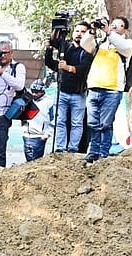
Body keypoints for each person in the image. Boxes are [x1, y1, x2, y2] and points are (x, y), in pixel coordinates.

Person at [80, 17, 132, 162]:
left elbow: (123, 45)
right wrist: (92, 30)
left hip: (112, 90)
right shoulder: (100, 44)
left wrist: (108, 31)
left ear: (125, 30)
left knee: (106, 123)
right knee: (92, 123)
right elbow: (85, 45)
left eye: (119, 26)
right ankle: (93, 151)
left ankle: (103, 152)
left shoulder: (126, 45)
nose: (114, 27)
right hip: (94, 88)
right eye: (113, 24)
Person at [45, 21, 95, 153]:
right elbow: (51, 57)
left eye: (83, 32)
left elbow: (83, 69)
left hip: (78, 93)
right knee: (60, 121)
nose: (79, 34)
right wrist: (49, 48)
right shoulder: (66, 47)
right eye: (77, 31)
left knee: (76, 123)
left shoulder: (88, 50)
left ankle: (73, 148)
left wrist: (68, 68)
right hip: (62, 91)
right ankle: (60, 148)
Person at [21, 80, 51, 161]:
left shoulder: (49, 102)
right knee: (28, 161)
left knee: (36, 161)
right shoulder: (28, 100)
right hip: (27, 135)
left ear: (42, 91)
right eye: (33, 92)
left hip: (39, 136)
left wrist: (46, 135)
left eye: (37, 92)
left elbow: (54, 119)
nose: (34, 94)